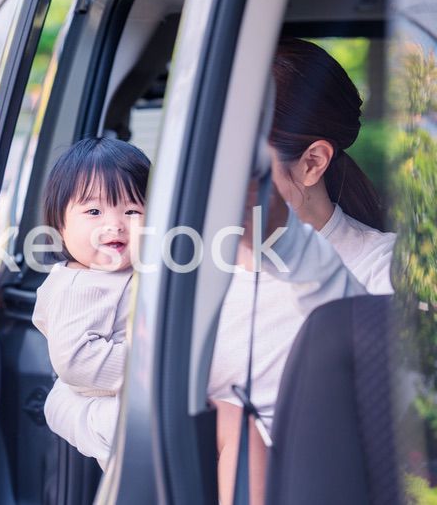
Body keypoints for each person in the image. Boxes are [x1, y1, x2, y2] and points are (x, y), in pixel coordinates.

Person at [43, 38, 397, 505]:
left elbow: (381, 417)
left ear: (312, 163)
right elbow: (66, 392)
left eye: (236, 162)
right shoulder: (184, 254)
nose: (213, 178)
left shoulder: (381, 267)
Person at [32, 137, 150, 467]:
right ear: (60, 225)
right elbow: (76, 360)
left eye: (132, 210)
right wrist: (156, 366)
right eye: (94, 211)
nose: (114, 224)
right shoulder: (79, 285)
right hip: (118, 410)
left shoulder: (132, 270)